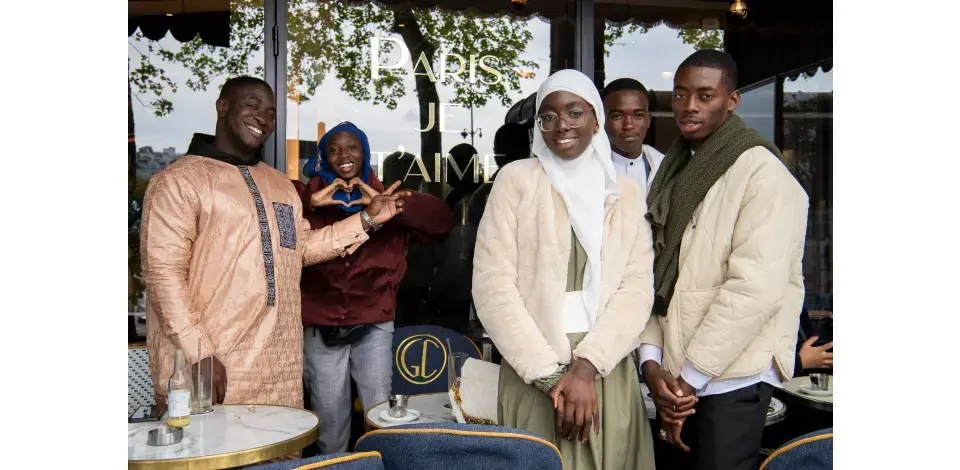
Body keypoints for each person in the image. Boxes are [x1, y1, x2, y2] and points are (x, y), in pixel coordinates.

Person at [141, 77, 407, 410]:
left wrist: (367, 219)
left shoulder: (279, 186)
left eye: (270, 113)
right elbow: (163, 275)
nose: (263, 119)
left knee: (280, 459)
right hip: (208, 368)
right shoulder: (178, 182)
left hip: (278, 370)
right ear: (222, 107)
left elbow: (301, 249)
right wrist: (199, 353)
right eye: (252, 105)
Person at [473, 69, 656, 469]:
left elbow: (637, 288)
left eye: (574, 112)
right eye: (548, 116)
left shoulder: (624, 192)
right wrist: (551, 378)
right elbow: (492, 286)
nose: (561, 126)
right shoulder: (516, 181)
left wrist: (586, 369)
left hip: (606, 371)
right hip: (534, 372)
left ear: (595, 119)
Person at [637, 50, 809, 470]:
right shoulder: (678, 168)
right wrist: (651, 362)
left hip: (730, 377)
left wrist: (687, 382)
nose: (689, 106)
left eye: (704, 95)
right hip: (678, 375)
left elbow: (754, 290)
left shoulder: (763, 175)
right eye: (680, 95)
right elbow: (657, 272)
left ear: (731, 101)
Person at [296, 121, 453, 454]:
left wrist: (395, 207)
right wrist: (312, 202)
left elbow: (440, 223)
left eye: (352, 147)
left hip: (373, 320)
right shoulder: (306, 196)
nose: (344, 155)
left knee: (380, 413)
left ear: (365, 153)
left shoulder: (384, 195)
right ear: (323, 157)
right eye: (334, 149)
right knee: (329, 419)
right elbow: (290, 238)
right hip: (321, 324)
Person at [601, 78, 665, 195]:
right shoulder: (588, 168)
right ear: (602, 121)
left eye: (638, 115)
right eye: (617, 116)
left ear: (648, 120)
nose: (628, 125)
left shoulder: (664, 168)